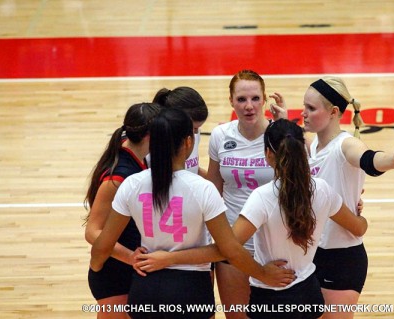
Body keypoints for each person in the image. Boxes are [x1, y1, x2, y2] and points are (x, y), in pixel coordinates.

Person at [131, 119, 367, 319]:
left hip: (270, 298)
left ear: (267, 154)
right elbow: (359, 228)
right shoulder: (323, 189)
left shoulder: (263, 197)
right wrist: (358, 211)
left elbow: (226, 249)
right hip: (308, 294)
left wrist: (168, 258)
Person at [90, 108, 294, 319]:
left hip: (145, 288)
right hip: (190, 291)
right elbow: (229, 249)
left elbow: (101, 247)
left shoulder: (131, 184)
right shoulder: (202, 189)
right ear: (188, 142)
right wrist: (263, 274)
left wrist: (125, 261)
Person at [302, 76, 394, 319]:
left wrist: (393, 160)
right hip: (314, 254)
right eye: (304, 107)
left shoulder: (346, 145)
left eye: (311, 108)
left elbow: (369, 159)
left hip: (341, 257)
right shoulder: (315, 147)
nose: (304, 113)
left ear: (334, 112)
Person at [206, 69, 286, 319]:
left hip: (275, 244)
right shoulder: (221, 136)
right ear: (231, 101)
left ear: (264, 100)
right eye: (241, 99)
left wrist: (285, 125)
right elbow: (212, 188)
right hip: (233, 242)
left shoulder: (280, 135)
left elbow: (305, 182)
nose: (249, 106)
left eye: (255, 99)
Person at [84, 102, 162, 319]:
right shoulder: (119, 177)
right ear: (149, 136)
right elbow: (93, 231)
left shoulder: (131, 151)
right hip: (115, 272)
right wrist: (131, 257)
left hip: (128, 267)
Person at [151, 86, 208, 177]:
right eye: (193, 129)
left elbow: (192, 169)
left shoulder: (193, 134)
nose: (195, 133)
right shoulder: (152, 147)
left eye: (197, 129)